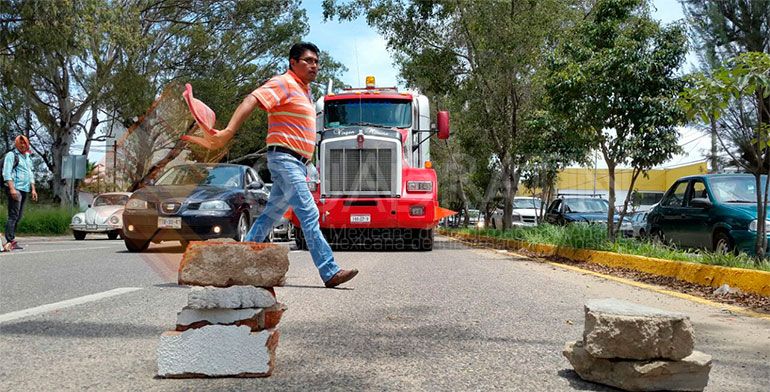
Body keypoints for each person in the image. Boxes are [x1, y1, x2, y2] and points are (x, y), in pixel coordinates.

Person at [183, 42, 358, 288]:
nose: (314, 66)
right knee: (309, 213)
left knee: (269, 216)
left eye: (316, 62)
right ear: (293, 62)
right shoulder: (284, 82)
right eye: (308, 60)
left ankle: (240, 260)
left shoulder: (304, 91)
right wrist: (229, 131)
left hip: (299, 163)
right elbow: (251, 98)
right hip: (285, 159)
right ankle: (329, 271)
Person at [3, 135, 38, 251]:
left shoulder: (27, 157)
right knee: (13, 215)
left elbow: (30, 173)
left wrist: (33, 189)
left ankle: (11, 239)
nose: (23, 145)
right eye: (20, 143)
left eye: (24, 143)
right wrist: (12, 189)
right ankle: (10, 240)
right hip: (15, 188)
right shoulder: (11, 155)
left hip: (25, 189)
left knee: (18, 216)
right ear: (16, 144)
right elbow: (6, 172)